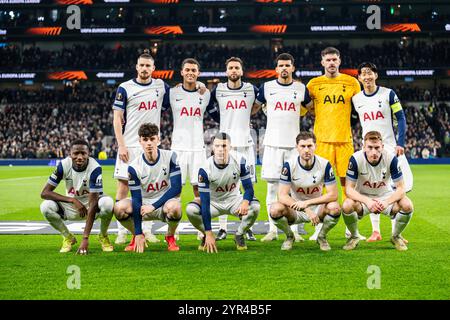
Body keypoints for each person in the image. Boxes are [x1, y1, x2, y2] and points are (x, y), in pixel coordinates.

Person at [306, 47, 365, 241]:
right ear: (322, 62)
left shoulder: (351, 82)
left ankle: (351, 229)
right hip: (322, 142)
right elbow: (302, 108)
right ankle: (319, 227)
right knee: (321, 187)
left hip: (344, 141)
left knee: (348, 186)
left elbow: (361, 108)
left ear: (339, 61)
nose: (331, 63)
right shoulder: (314, 84)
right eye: (328, 60)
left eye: (334, 59)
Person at [253, 52, 313, 242]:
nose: (284, 68)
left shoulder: (301, 89)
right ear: (276, 69)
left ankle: (295, 231)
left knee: (295, 189)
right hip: (272, 144)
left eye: (288, 65)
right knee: (272, 188)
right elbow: (253, 108)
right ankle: (272, 229)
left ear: (293, 68)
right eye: (281, 65)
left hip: (294, 146)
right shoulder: (266, 87)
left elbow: (312, 109)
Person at [352, 62, 413, 242]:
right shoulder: (356, 99)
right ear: (359, 78)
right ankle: (376, 231)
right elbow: (352, 121)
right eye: (364, 74)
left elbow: (400, 118)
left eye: (370, 73)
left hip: (389, 147)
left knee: (398, 188)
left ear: (376, 75)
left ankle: (396, 232)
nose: (367, 76)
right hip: (368, 149)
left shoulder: (388, 94)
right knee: (372, 187)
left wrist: (400, 143)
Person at [112, 49, 168, 246]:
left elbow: (182, 91)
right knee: (123, 187)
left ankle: (147, 230)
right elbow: (117, 118)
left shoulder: (161, 86)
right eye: (141, 65)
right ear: (137, 67)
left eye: (148, 66)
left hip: (151, 145)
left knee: (150, 187)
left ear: (153, 68)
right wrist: (121, 145)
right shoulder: (124, 87)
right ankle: (121, 232)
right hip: (130, 145)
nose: (144, 68)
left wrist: (202, 86)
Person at [207, 57, 259, 241]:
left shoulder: (252, 89)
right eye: (230, 68)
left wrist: (249, 114)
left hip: (245, 143)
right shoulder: (219, 89)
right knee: (223, 185)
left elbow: (260, 103)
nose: (234, 70)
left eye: (237, 67)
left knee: (247, 185)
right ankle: (222, 228)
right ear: (226, 71)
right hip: (224, 144)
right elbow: (207, 105)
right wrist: (219, 119)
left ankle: (245, 226)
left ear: (241, 71)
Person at [186, 132, 260, 253]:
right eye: (217, 146)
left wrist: (245, 202)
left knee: (255, 207)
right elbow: (204, 202)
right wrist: (209, 232)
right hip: (213, 203)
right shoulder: (205, 167)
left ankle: (239, 234)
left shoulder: (240, 160)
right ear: (213, 147)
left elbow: (249, 189)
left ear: (230, 147)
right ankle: (206, 235)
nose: (221, 149)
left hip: (234, 201)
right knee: (191, 210)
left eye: (224, 146)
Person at [113, 123, 182, 253]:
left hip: (163, 203)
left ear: (158, 140)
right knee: (119, 208)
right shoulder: (134, 167)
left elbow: (176, 188)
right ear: (140, 142)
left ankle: (170, 236)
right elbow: (137, 199)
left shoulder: (171, 157)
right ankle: (136, 236)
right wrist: (139, 232)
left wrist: (154, 206)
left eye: (152, 139)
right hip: (142, 206)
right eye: (145, 139)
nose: (149, 143)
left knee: (176, 207)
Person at [342, 131, 414, 251]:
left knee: (407, 205)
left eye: (377, 148)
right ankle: (354, 236)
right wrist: (368, 201)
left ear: (382, 147)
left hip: (385, 197)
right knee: (347, 205)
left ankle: (396, 236)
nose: (374, 152)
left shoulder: (391, 159)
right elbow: (349, 189)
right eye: (370, 147)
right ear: (363, 147)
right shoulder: (355, 159)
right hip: (363, 199)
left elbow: (401, 189)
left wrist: (386, 202)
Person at [39, 139, 114, 254]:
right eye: (76, 153)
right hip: (71, 206)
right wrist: (72, 199)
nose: (79, 157)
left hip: (91, 206)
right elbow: (45, 193)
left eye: (83, 153)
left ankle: (103, 236)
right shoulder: (63, 165)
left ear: (88, 154)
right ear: (70, 154)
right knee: (45, 207)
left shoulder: (95, 168)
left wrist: (85, 238)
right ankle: (68, 237)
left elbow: (93, 203)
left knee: (108, 203)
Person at [269, 132, 340, 251]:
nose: (306, 150)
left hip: (318, 208)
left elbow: (333, 194)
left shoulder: (324, 164)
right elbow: (282, 195)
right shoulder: (289, 165)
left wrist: (308, 203)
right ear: (297, 147)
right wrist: (306, 209)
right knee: (275, 210)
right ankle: (289, 236)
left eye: (309, 146)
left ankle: (321, 237)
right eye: (302, 146)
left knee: (335, 207)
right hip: (296, 209)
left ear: (315, 146)